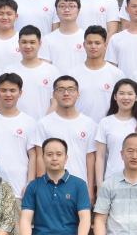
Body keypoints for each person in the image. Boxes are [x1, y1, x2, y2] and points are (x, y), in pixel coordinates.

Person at [36, 75, 97, 203]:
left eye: (71, 89)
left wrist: (90, 189)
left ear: (78, 93)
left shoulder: (89, 124)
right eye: (61, 89)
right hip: (51, 189)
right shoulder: (44, 123)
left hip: (80, 188)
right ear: (54, 94)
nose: (66, 93)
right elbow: (40, 157)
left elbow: (90, 158)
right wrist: (42, 188)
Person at [0, 72, 38, 199]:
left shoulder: (30, 122)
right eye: (3, 90)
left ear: (20, 93)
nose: (8, 94)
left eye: (12, 90)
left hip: (19, 190)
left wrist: (30, 183)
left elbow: (33, 156)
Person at [94, 78, 137, 186]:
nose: (126, 97)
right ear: (115, 96)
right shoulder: (105, 122)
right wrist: (100, 185)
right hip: (112, 181)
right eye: (122, 93)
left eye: (130, 94)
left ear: (136, 97)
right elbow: (100, 156)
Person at [74, 25, 125, 124]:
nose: (93, 46)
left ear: (105, 45)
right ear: (84, 45)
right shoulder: (73, 74)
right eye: (89, 43)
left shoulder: (117, 74)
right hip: (79, 127)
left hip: (108, 127)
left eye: (97, 43)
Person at [8, 25, 58, 120]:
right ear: (18, 43)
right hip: (15, 124)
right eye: (24, 42)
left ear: (40, 44)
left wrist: (44, 123)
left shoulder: (52, 71)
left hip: (43, 125)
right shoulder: (9, 70)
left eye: (32, 42)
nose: (28, 46)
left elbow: (56, 102)